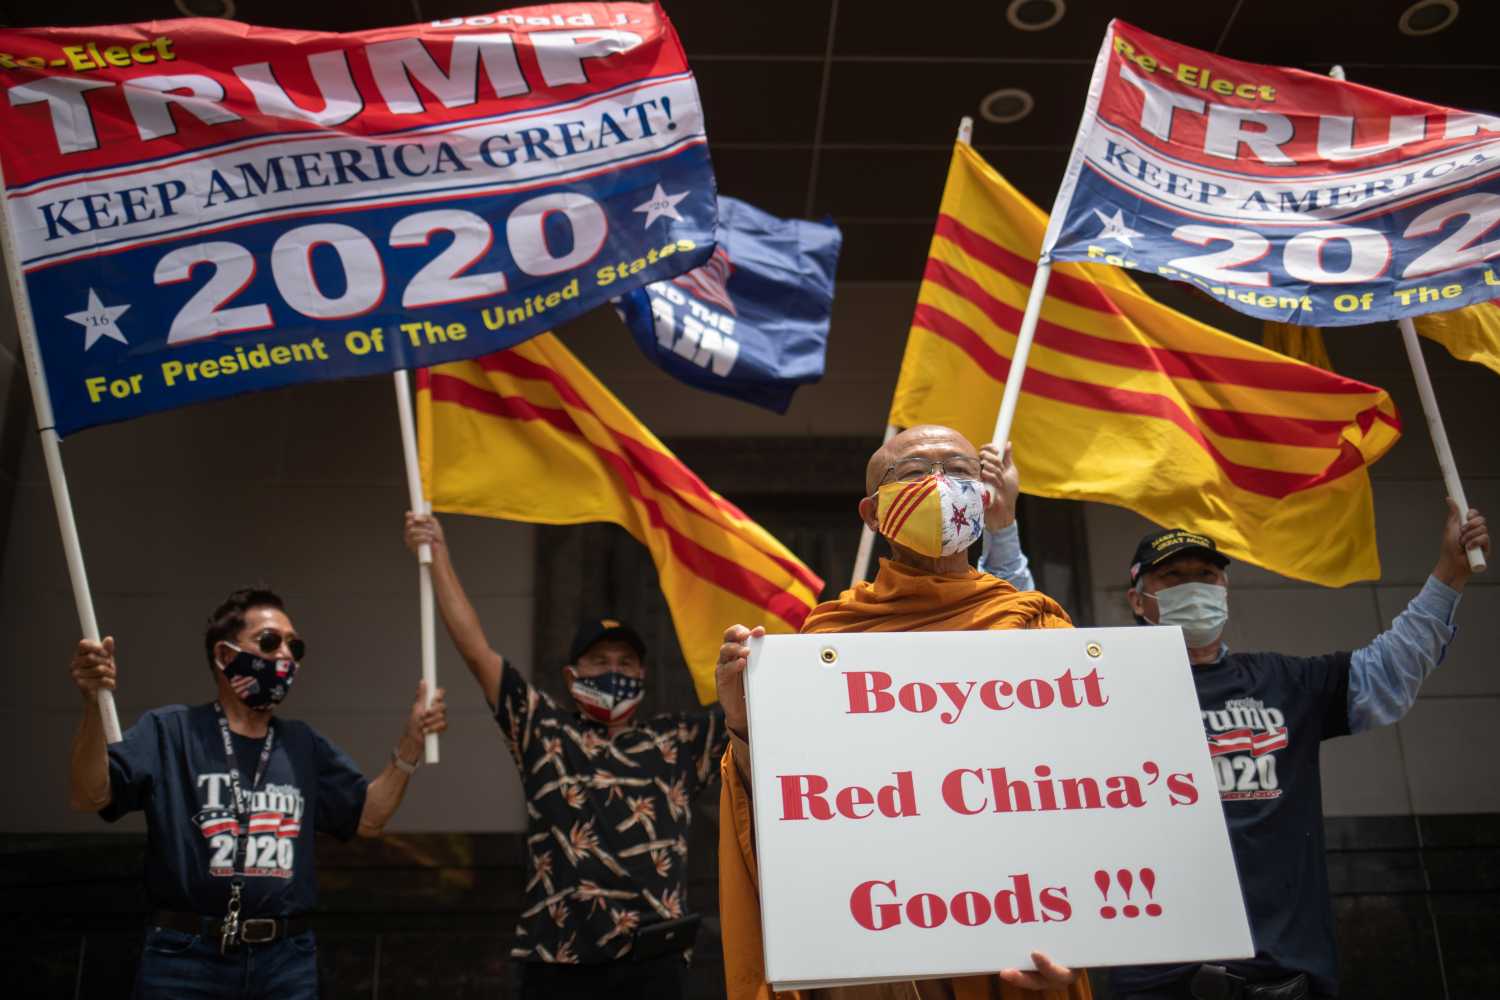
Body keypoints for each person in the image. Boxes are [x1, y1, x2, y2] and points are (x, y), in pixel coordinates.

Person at [714, 424, 1092, 1000]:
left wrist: (1088, 933)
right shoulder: (828, 640)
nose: (941, 486)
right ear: (873, 513)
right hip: (870, 954)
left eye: (961, 473)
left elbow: (1088, 794)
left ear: (985, 498)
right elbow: (786, 807)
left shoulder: (1035, 626)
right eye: (915, 474)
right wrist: (745, 725)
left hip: (1007, 938)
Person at [1101, 505, 1488, 1000]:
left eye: (1206, 575)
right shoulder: (1105, 689)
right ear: (1138, 599)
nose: (1193, 587)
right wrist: (1004, 531)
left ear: (1225, 591)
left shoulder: (1285, 682)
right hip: (1156, 986)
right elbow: (1021, 664)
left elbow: (1390, 670)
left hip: (1285, 982)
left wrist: (1448, 575)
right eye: (1172, 577)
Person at [403, 511, 730, 1000]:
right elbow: (476, 651)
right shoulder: (542, 729)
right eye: (599, 661)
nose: (613, 670)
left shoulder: (678, 740)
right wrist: (438, 556)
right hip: (558, 958)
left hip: (654, 962)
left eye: (624, 662)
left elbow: (751, 717)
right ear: (572, 676)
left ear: (642, 674)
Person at [67, 586, 447, 1000]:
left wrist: (410, 744)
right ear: (225, 656)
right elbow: (91, 794)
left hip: (285, 962)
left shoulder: (303, 745)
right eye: (269, 642)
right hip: (185, 958)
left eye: (294, 647)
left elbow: (368, 818)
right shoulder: (171, 732)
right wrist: (91, 703)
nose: (286, 654)